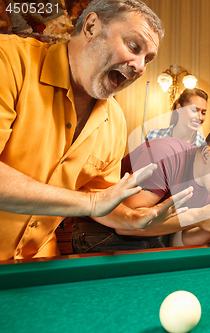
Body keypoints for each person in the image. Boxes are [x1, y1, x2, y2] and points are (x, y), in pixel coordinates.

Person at [0, 0, 177, 260]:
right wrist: (92, 203)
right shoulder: (9, 60)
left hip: (36, 264)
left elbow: (100, 197)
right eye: (133, 46)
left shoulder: (115, 119)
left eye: (147, 59)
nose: (140, 67)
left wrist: (132, 218)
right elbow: (93, 202)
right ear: (92, 27)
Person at [72, 122, 210, 253]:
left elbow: (181, 241)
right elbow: (126, 226)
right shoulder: (164, 156)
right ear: (206, 155)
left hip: (150, 239)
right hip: (99, 233)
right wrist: (199, 216)